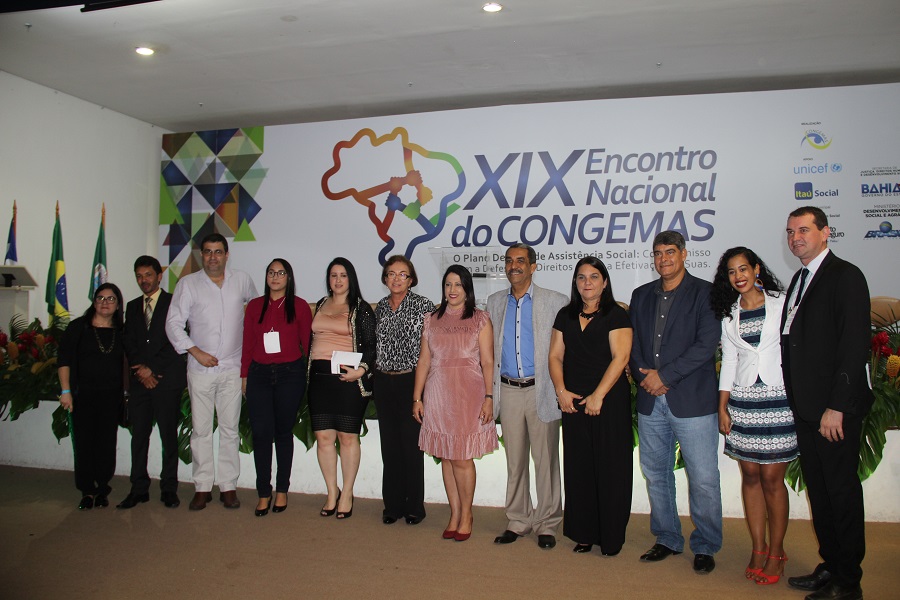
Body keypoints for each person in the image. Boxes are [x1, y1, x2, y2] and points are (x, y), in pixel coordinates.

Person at [781, 207, 872, 600]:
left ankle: (848, 581)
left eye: (804, 230)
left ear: (825, 232)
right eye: (790, 232)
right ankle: (832, 564)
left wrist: (837, 406)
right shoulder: (800, 278)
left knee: (840, 494)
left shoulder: (845, 276)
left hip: (833, 412)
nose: (795, 237)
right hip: (807, 411)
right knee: (819, 493)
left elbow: (854, 345)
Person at [629, 230, 722, 574]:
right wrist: (645, 378)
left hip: (692, 400)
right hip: (651, 400)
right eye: (658, 253)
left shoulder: (705, 293)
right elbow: (632, 343)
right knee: (656, 473)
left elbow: (706, 345)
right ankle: (667, 537)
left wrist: (664, 377)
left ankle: (706, 544)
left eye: (670, 251)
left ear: (684, 254)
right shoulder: (641, 295)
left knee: (703, 478)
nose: (663, 258)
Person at [711, 247, 798, 584]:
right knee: (749, 475)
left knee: (772, 479)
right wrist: (722, 406)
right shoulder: (729, 314)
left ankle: (777, 551)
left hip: (779, 398)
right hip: (743, 400)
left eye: (743, 269)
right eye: (732, 272)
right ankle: (758, 547)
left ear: (756, 269)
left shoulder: (782, 303)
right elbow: (730, 361)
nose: (739, 276)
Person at [166, 233, 257, 511]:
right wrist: (195, 351)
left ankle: (228, 487)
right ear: (201, 255)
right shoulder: (188, 284)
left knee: (230, 430)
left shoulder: (242, 280)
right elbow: (173, 324)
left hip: (232, 368)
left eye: (218, 252)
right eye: (207, 252)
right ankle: (203, 487)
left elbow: (257, 313)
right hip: (200, 369)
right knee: (201, 430)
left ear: (227, 255)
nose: (213, 257)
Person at [549, 257, 633, 556]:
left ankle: (610, 537)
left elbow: (621, 358)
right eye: (582, 277)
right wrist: (561, 391)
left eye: (594, 276)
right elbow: (555, 356)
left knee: (611, 468)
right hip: (573, 403)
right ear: (575, 282)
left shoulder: (616, 315)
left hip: (609, 402)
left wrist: (598, 395)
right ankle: (583, 533)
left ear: (605, 282)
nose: (587, 282)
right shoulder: (565, 315)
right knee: (579, 467)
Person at [487, 243, 567, 550]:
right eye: (509, 261)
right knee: (515, 460)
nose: (514, 266)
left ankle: (547, 522)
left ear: (533, 266)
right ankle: (518, 519)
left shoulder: (555, 301)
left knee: (546, 461)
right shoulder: (495, 302)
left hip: (541, 389)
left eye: (520, 261)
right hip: (507, 390)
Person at [413, 265, 497, 542]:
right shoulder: (431, 319)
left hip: (468, 393)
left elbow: (488, 361)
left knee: (461, 457)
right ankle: (455, 513)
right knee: (446, 456)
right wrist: (417, 397)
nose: (452, 290)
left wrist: (489, 397)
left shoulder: (480, 319)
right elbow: (424, 361)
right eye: (448, 284)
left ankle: (467, 515)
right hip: (438, 393)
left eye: (458, 284)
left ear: (467, 288)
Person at [241, 258, 312, 516]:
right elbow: (248, 342)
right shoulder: (255, 306)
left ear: (289, 278)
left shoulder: (300, 306)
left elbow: (308, 344)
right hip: (258, 375)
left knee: (283, 432)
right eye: (271, 272)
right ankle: (263, 492)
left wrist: (311, 375)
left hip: (290, 374)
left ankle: (282, 489)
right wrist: (244, 375)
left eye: (281, 273)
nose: (275, 277)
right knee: (261, 433)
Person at [308, 257, 376, 520]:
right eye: (333, 275)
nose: (338, 280)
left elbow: (371, 346)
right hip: (319, 379)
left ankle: (347, 493)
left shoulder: (361, 308)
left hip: (348, 380)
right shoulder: (321, 304)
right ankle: (331, 492)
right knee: (324, 438)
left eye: (343, 275)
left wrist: (362, 370)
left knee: (347, 438)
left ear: (351, 279)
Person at [117, 256, 188, 510]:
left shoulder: (174, 302)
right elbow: (129, 341)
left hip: (166, 380)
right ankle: (138, 488)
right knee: (139, 437)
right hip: (140, 383)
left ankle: (169, 489)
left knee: (168, 436)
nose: (143, 280)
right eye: (139, 276)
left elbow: (178, 340)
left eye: (148, 275)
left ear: (159, 276)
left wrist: (153, 370)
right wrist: (141, 370)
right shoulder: (132, 306)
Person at [374, 255, 434, 525]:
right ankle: (392, 506)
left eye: (402, 274)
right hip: (383, 382)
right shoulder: (380, 308)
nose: (396, 279)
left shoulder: (424, 307)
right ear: (385, 278)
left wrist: (420, 393)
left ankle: (414, 507)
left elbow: (431, 351)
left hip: (411, 382)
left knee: (411, 447)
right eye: (391, 274)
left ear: (411, 280)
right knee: (389, 447)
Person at [58, 283, 126, 510]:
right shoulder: (78, 327)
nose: (105, 303)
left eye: (111, 299)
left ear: (118, 304)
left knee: (106, 444)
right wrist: (66, 391)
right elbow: (64, 360)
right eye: (100, 298)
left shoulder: (122, 331)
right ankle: (87, 491)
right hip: (82, 396)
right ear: (94, 302)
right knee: (84, 444)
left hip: (111, 398)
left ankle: (102, 488)